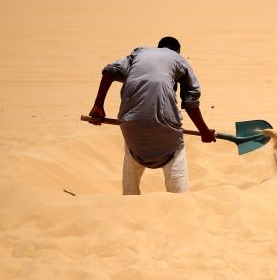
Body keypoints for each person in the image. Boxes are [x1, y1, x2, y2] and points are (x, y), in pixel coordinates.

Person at [88, 36, 215, 195]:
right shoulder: (179, 59)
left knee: (132, 146)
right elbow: (190, 102)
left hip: (129, 125)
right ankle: (180, 198)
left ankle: (129, 196)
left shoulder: (139, 54)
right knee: (176, 151)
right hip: (165, 129)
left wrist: (98, 105)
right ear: (176, 51)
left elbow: (109, 71)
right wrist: (203, 131)